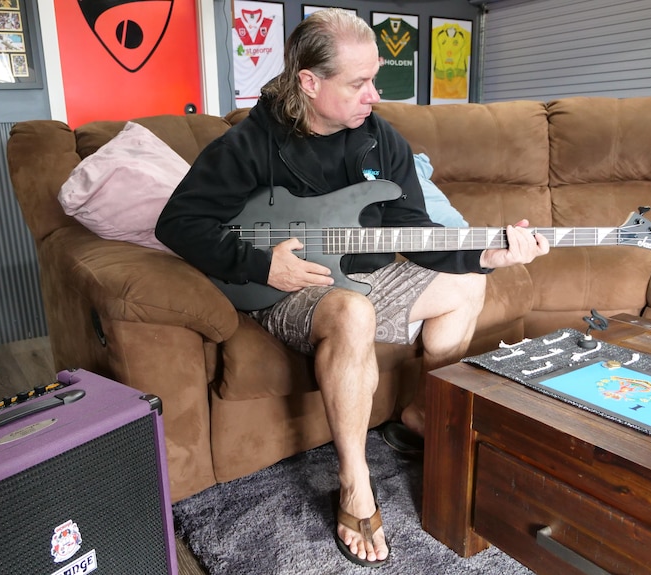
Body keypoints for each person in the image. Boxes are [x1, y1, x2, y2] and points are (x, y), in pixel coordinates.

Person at [155, 8, 549, 567]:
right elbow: (177, 224)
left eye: (375, 79)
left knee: (466, 284)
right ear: (309, 83)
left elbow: (416, 232)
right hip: (291, 287)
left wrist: (487, 253)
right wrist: (261, 265)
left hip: (368, 271)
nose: (374, 95)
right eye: (359, 83)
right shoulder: (251, 143)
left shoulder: (379, 140)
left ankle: (421, 414)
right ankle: (355, 483)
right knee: (353, 312)